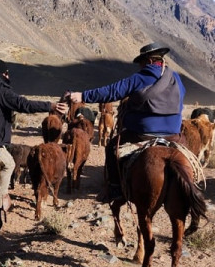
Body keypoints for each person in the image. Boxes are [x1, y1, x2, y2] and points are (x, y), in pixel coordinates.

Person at [68, 42, 187, 202]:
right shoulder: (176, 78)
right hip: (173, 132)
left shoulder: (141, 77)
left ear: (149, 61)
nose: (140, 66)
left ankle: (115, 187)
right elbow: (182, 95)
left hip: (143, 132)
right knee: (187, 152)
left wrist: (83, 96)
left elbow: (112, 91)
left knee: (111, 148)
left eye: (141, 62)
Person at [0, 55, 69, 210]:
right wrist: (50, 106)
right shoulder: (1, 90)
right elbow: (24, 104)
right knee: (9, 163)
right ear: (2, 73)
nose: (8, 76)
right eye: (6, 73)